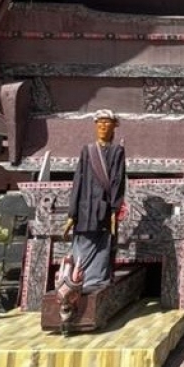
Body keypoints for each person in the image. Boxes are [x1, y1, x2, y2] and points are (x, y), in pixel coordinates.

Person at [61, 109, 126, 300]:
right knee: (82, 245)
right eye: (100, 123)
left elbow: (117, 181)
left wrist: (114, 209)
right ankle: (78, 280)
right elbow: (78, 181)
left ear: (114, 126)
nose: (103, 126)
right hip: (84, 208)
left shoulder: (117, 152)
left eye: (107, 123)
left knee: (101, 246)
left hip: (103, 208)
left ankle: (97, 282)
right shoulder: (87, 151)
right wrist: (72, 213)